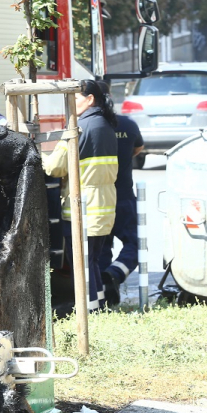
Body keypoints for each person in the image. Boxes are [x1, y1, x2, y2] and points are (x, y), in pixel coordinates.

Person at [41, 79, 118, 311]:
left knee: (82, 263)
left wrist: (39, 155)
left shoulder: (78, 128)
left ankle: (89, 311)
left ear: (90, 99)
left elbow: (54, 167)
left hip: (82, 208)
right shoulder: (105, 124)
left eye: (74, 98)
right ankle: (99, 305)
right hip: (104, 207)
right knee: (92, 260)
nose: (70, 103)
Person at [99, 113, 144, 306]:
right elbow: (138, 148)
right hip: (123, 196)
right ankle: (114, 274)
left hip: (98, 198)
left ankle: (103, 295)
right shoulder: (127, 124)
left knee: (101, 249)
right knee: (136, 245)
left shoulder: (86, 125)